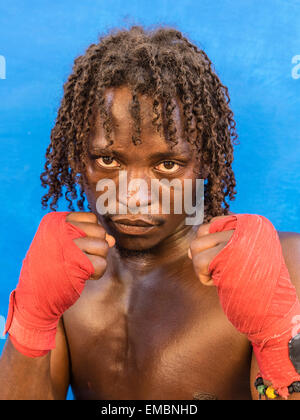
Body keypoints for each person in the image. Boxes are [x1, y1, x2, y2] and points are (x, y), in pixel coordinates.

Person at [1, 25, 300, 401]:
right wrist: (31, 322)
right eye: (108, 160)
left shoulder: (286, 266)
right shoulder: (65, 278)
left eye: (168, 165)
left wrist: (279, 341)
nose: (134, 196)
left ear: (204, 163)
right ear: (81, 160)